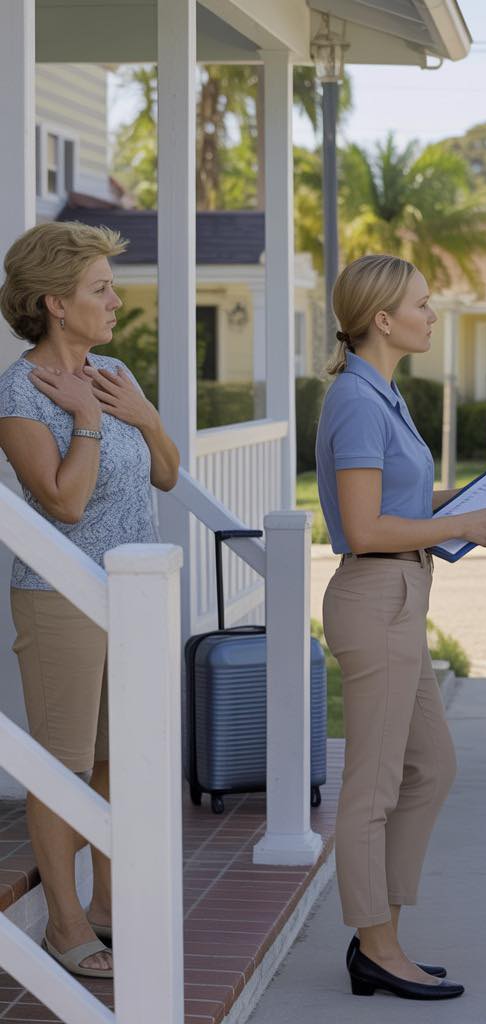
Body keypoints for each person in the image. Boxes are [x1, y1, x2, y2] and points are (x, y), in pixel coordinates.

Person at [315, 254, 486, 1002]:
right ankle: (376, 943)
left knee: (430, 767)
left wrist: (462, 497)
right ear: (383, 320)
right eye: (422, 305)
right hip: (377, 597)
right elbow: (363, 526)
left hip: (401, 594)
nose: (432, 315)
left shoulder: (382, 394)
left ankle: (382, 934)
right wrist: (458, 520)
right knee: (371, 788)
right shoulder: (361, 401)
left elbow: (391, 498)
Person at [0, 221, 180, 979]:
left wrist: (138, 414)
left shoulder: (114, 372)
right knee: (64, 765)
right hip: (61, 600)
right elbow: (64, 505)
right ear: (55, 305)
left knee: (115, 760)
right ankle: (67, 927)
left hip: (127, 603)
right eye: (100, 289)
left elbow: (166, 474)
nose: (116, 300)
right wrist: (84, 420)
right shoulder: (21, 391)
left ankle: (109, 907)